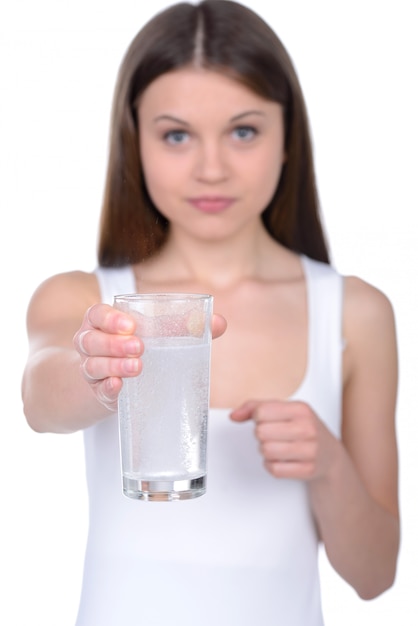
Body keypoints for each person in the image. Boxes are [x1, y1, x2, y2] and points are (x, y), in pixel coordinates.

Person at [21, 1, 400, 624]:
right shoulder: (83, 299)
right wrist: (100, 367)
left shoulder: (355, 313)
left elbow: (376, 575)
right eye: (176, 135)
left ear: (287, 139)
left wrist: (330, 467)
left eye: (243, 131)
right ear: (133, 139)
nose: (212, 167)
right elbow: (40, 399)